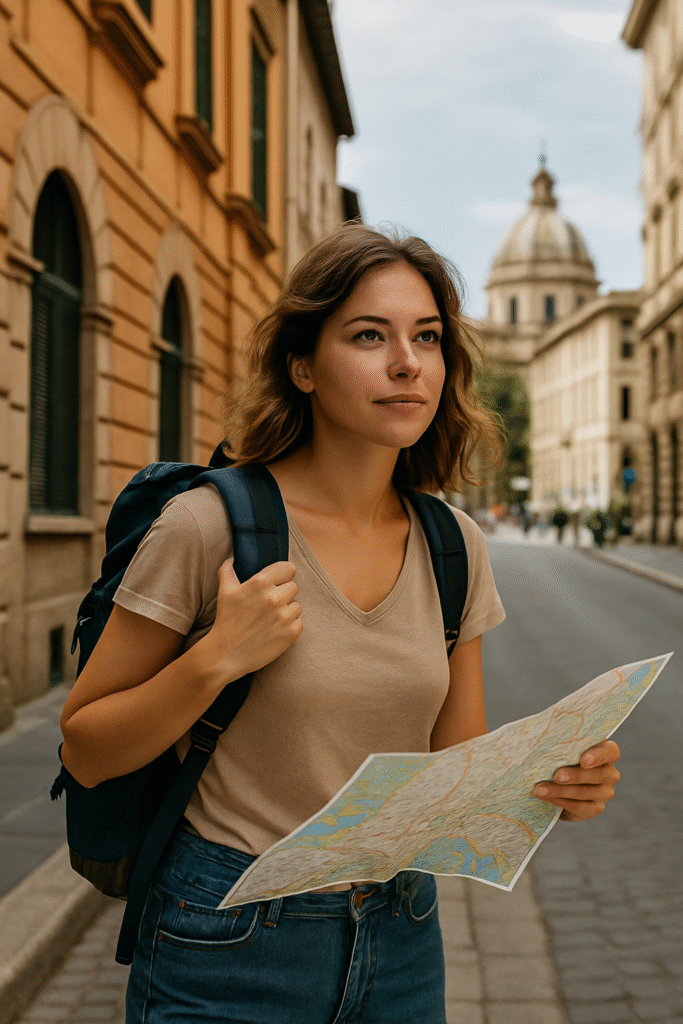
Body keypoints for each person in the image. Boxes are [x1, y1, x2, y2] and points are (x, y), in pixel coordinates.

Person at [59, 224, 621, 1024]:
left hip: (400, 937)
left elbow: (451, 768)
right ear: (302, 367)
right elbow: (84, 748)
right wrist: (214, 659)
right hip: (224, 939)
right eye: (369, 336)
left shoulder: (451, 544)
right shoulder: (205, 526)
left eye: (426, 339)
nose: (407, 363)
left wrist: (550, 785)